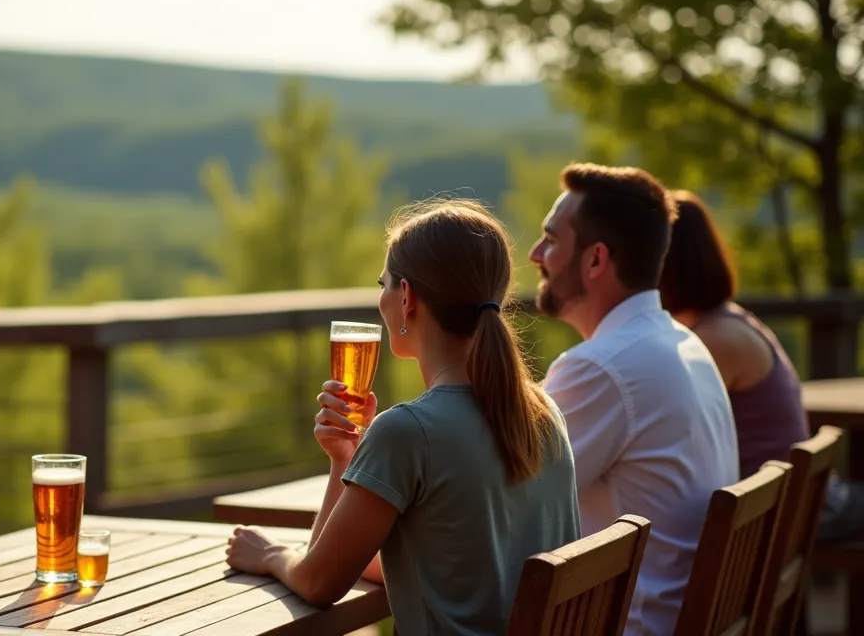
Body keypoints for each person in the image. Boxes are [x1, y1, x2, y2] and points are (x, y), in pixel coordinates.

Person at [225, 199, 581, 634]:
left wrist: (271, 555)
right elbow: (444, 564)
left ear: (407, 297)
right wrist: (345, 459)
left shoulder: (408, 432)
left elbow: (318, 584)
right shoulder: (544, 413)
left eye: (384, 284)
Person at [530, 163, 739, 635]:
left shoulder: (602, 368)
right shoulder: (685, 344)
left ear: (595, 260)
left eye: (551, 240)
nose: (535, 254)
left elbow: (503, 504)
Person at [658, 190, 864, 542]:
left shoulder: (714, 341)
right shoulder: (725, 322)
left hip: (787, 515)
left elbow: (667, 436)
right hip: (799, 500)